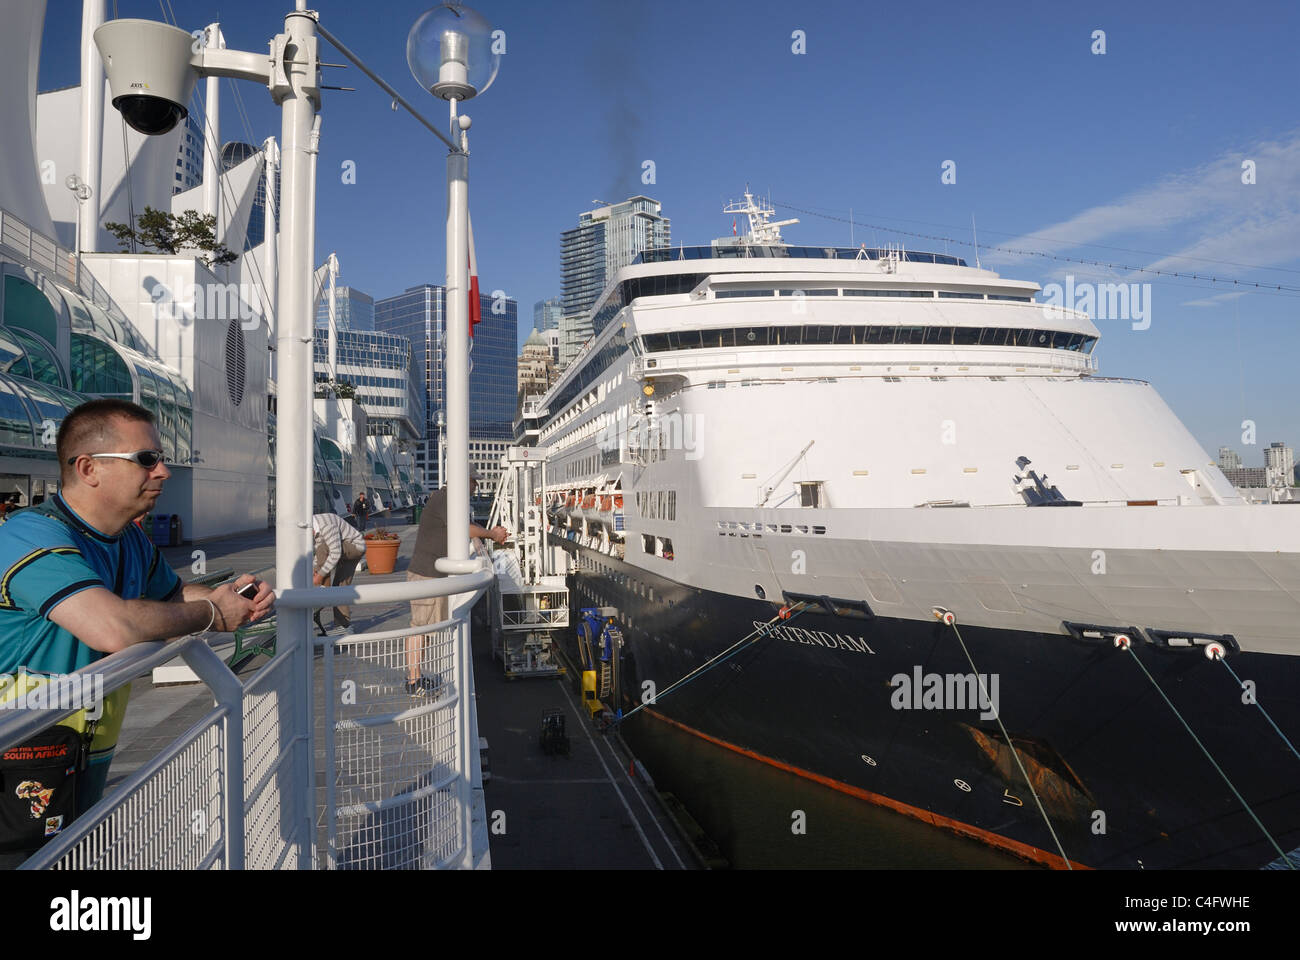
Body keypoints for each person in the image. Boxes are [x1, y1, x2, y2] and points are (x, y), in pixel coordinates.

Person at [0, 399, 274, 857]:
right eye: (147, 460)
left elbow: (171, 597)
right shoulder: (27, 537)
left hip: (79, 756)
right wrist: (212, 615)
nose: (164, 471)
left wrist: (231, 597)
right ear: (89, 468)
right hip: (17, 758)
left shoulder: (128, 540)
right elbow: (113, 627)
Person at [405, 467, 505, 696]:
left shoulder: (446, 498)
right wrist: (492, 534)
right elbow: (464, 528)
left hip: (430, 573)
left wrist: (486, 533)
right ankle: (413, 681)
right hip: (426, 574)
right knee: (420, 628)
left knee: (425, 629)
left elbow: (464, 528)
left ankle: (416, 677)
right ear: (463, 481)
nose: (476, 487)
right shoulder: (447, 498)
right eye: (473, 482)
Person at [311, 511, 366, 634]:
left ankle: (323, 588)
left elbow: (334, 553)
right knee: (340, 587)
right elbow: (319, 556)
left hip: (355, 546)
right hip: (342, 549)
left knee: (324, 548)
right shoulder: (315, 528)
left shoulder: (326, 525)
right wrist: (315, 569)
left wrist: (319, 575)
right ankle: (344, 627)